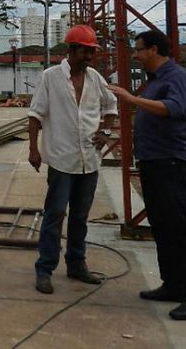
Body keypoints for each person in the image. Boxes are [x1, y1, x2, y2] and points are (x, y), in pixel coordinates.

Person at [107, 30, 186, 321]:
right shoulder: (155, 81)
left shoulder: (176, 77)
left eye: (138, 50)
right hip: (153, 161)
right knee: (162, 226)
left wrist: (131, 100)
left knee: (178, 229)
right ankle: (173, 285)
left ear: (153, 50)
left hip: (170, 163)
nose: (135, 56)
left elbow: (173, 109)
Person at [28, 24, 118, 295]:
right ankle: (45, 269)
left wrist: (105, 131)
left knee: (80, 216)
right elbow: (35, 115)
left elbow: (111, 106)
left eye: (93, 52)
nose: (90, 57)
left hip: (88, 161)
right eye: (86, 51)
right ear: (72, 50)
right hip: (61, 159)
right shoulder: (51, 77)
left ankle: (76, 264)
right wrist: (33, 149)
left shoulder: (95, 79)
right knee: (55, 214)